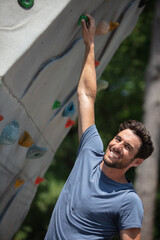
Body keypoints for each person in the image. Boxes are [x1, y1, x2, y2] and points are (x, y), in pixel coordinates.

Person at [45, 14, 154, 240]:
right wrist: (90, 44)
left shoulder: (128, 201)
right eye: (118, 139)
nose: (117, 145)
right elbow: (86, 95)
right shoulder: (90, 151)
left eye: (128, 147)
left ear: (137, 162)